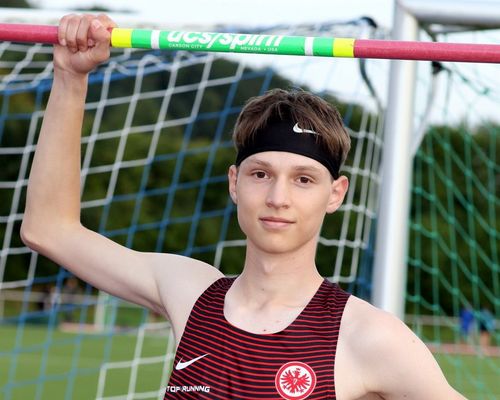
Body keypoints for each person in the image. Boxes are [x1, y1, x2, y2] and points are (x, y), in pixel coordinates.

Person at [21, 13, 466, 399]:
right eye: (260, 174)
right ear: (235, 183)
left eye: (304, 179)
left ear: (336, 193)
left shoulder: (368, 338)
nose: (278, 198)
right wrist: (70, 77)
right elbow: (49, 229)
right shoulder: (190, 293)